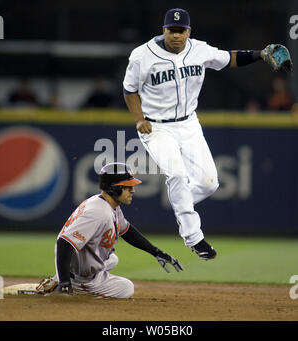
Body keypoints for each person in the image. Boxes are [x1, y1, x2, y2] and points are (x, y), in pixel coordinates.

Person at [123, 8, 282, 260]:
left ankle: (181, 206)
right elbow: (129, 89)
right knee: (176, 173)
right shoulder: (142, 55)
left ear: (189, 31)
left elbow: (229, 58)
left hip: (188, 124)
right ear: (163, 30)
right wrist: (139, 118)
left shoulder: (199, 49)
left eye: (181, 30)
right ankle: (194, 238)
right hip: (157, 127)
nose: (176, 35)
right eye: (171, 30)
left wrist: (260, 55)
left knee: (210, 183)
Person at [47, 162, 182, 297]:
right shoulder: (98, 213)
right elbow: (64, 242)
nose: (133, 190)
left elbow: (127, 230)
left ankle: (64, 278)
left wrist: (156, 252)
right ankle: (71, 285)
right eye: (127, 187)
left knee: (112, 259)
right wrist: (65, 284)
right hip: (79, 275)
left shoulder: (108, 205)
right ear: (114, 188)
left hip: (78, 265)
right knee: (126, 288)